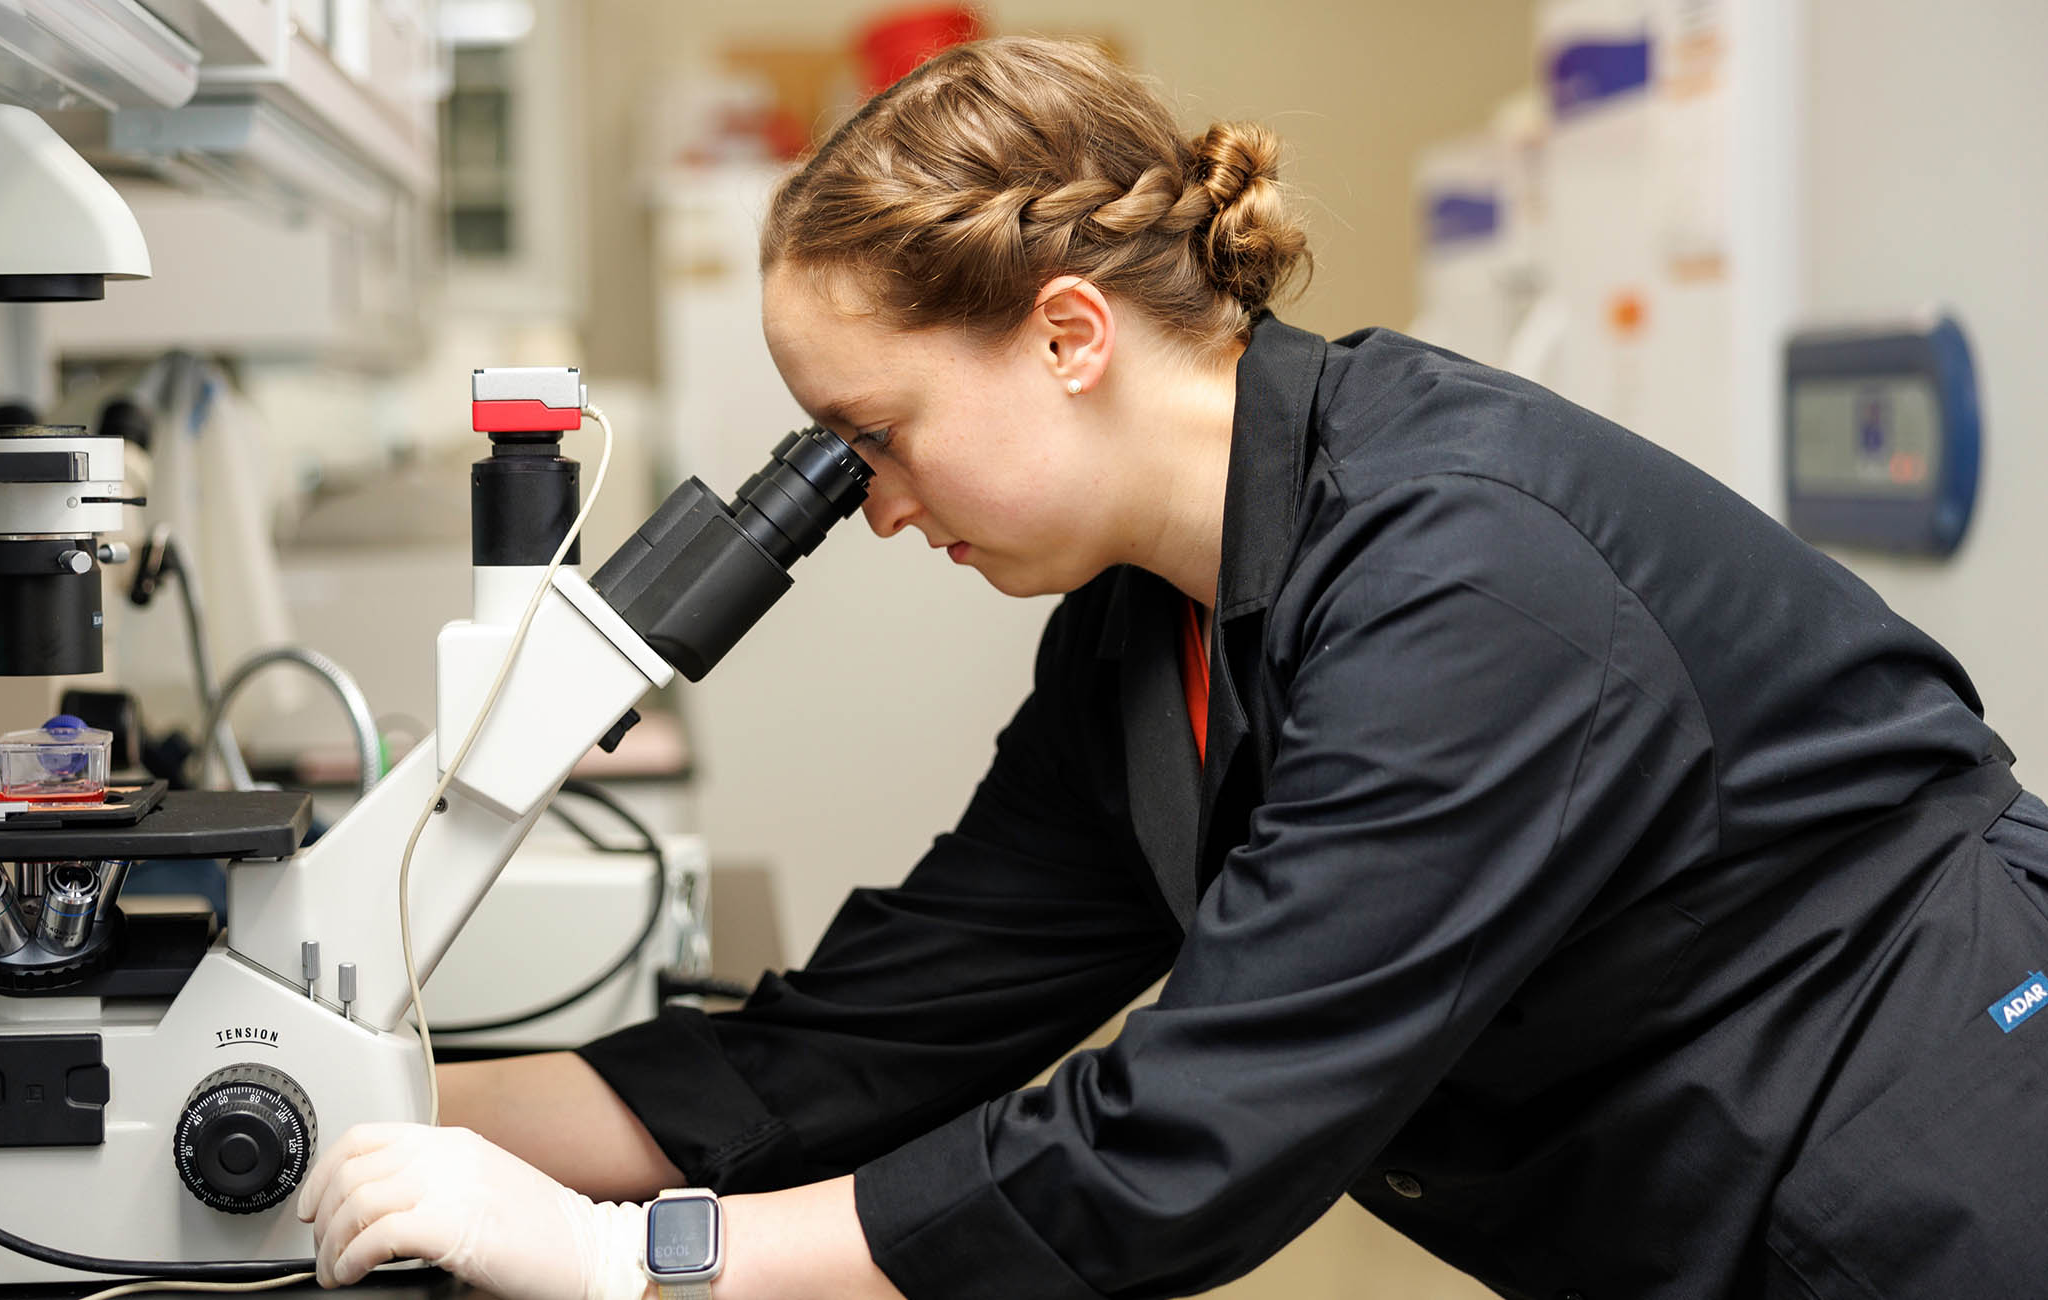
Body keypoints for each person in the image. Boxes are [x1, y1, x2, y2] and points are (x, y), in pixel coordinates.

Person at [295, 36, 2048, 1300]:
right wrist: (340, 1112)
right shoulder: (1150, 631)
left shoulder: (1469, 577)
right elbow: (874, 1040)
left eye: (869, 439)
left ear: (1068, 333)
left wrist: (633, 1264)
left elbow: (1184, 1138)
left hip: (1932, 1178)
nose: (871, 508)